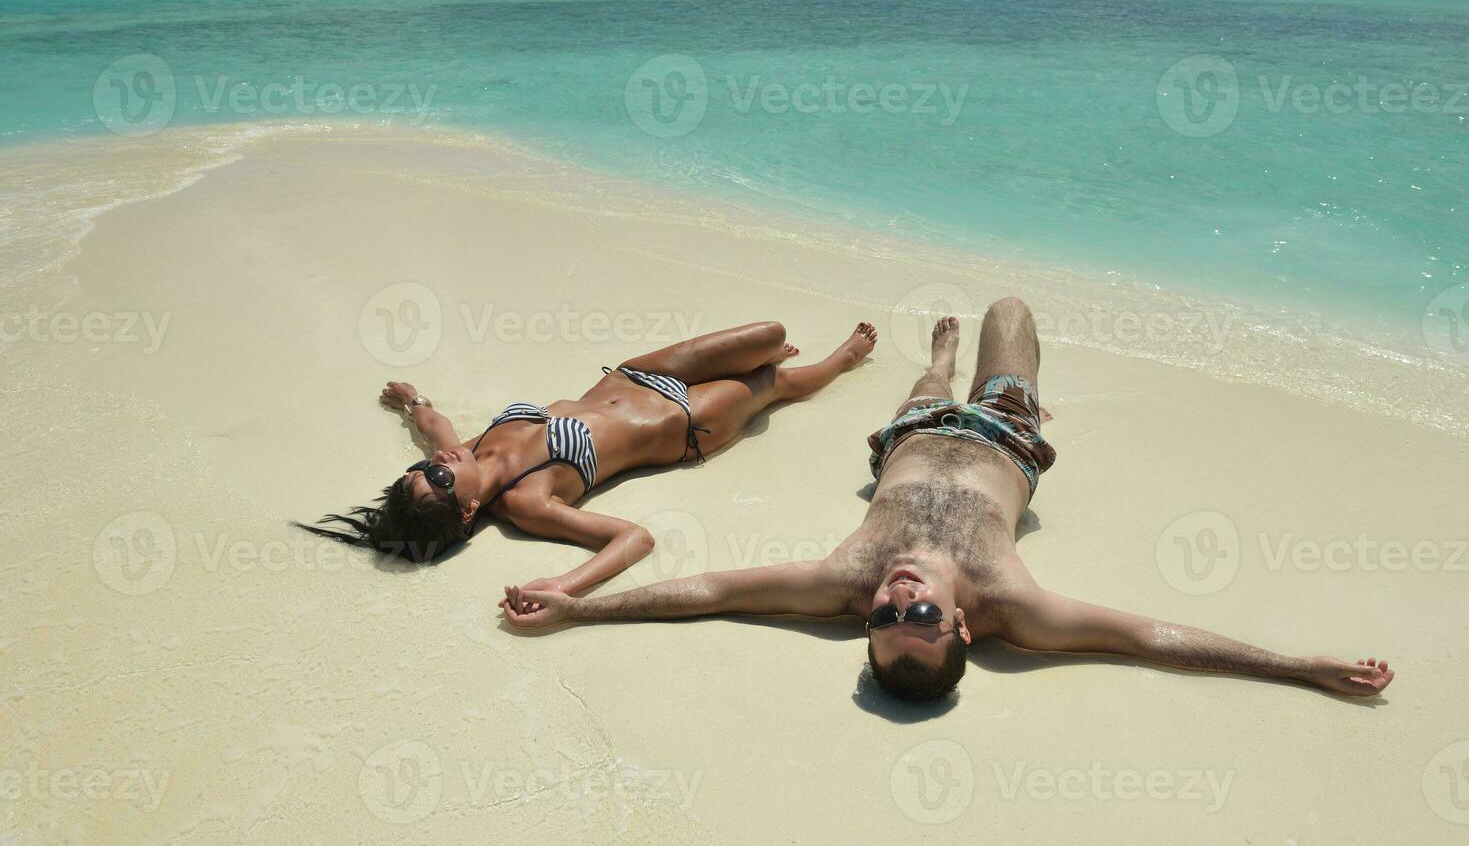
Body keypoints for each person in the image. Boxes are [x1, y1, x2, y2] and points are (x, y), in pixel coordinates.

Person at [501, 299, 1395, 702]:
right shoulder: (1013, 604)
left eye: (885, 617)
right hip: (1007, 432)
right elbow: (1149, 639)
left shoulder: (847, 580)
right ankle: (984, 365)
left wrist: (580, 609)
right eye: (917, 612)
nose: (895, 596)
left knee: (925, 386)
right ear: (962, 627)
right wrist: (1295, 668)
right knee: (1010, 308)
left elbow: (711, 594)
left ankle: (933, 361)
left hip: (910, 435)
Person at [306, 321, 878, 597]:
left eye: (422, 470)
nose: (437, 463)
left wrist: (413, 402)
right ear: (467, 510)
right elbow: (632, 538)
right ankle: (840, 361)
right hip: (686, 422)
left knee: (769, 331)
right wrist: (566, 584)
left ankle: (772, 361)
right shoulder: (525, 501)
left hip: (638, 373)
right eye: (438, 477)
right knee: (775, 381)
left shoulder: (467, 454)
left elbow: (435, 427)